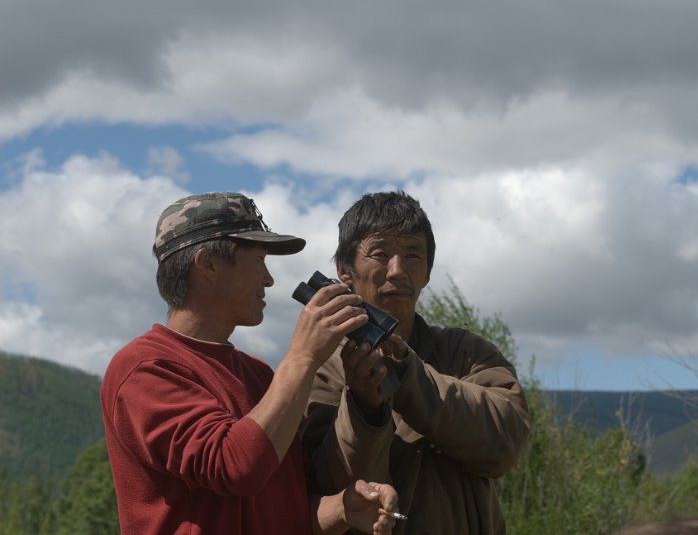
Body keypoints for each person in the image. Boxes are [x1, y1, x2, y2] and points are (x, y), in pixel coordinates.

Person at [101, 191, 400, 535]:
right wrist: (303, 356)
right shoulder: (143, 368)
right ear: (208, 264)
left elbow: (281, 508)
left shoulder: (258, 375)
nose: (269, 279)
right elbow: (234, 468)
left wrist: (342, 508)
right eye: (258, 259)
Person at [302, 191, 531, 534]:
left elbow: (504, 443)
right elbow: (332, 487)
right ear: (343, 271)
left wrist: (407, 374)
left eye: (413, 255)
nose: (397, 271)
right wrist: (365, 408)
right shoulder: (320, 369)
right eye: (379, 254)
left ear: (426, 272)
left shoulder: (465, 353)